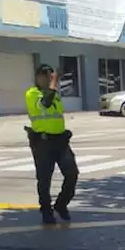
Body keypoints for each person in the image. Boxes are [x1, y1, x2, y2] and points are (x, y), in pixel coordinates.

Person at [25, 64, 80, 225]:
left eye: (51, 77)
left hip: (60, 141)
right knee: (44, 179)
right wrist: (54, 83)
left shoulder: (54, 94)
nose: (49, 80)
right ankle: (46, 211)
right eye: (46, 77)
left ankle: (61, 204)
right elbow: (45, 104)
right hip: (42, 142)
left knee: (72, 173)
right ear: (38, 77)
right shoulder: (32, 94)